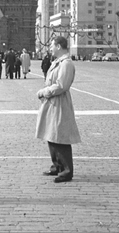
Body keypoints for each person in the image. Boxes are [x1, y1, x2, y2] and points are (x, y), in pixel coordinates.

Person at [35, 36, 81, 183]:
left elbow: (61, 86)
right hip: (52, 102)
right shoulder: (58, 62)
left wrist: (44, 92)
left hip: (59, 102)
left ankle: (66, 171)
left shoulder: (66, 64)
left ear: (59, 46)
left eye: (52, 45)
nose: (50, 48)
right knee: (51, 134)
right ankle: (57, 166)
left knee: (60, 135)